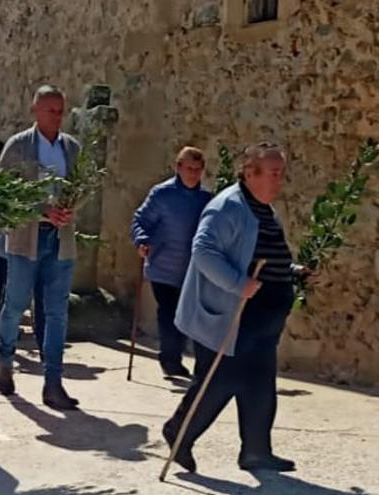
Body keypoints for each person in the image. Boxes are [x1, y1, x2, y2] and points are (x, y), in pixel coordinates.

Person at [163, 142, 302, 473]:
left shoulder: (263, 208)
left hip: (261, 316)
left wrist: (292, 271)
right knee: (219, 381)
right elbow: (204, 251)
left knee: (259, 381)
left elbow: (262, 255)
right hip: (231, 314)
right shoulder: (228, 207)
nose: (279, 180)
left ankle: (256, 451)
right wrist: (239, 284)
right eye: (274, 173)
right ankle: (178, 431)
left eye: (281, 173)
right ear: (250, 173)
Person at [0, 85, 81, 410]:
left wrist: (70, 209)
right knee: (15, 305)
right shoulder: (18, 147)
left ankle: (53, 382)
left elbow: (81, 187)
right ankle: (6, 362)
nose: (57, 117)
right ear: (36, 110)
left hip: (60, 238)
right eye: (51, 110)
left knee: (57, 312)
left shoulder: (71, 148)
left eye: (60, 111)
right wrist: (41, 209)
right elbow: (4, 191)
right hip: (25, 238)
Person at [131, 146, 213, 377]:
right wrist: (141, 240)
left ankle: (180, 359)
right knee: (169, 315)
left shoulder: (206, 199)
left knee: (186, 316)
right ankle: (170, 361)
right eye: (189, 168)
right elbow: (140, 220)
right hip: (163, 267)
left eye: (198, 169)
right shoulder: (161, 194)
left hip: (191, 269)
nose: (193, 174)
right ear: (178, 167)